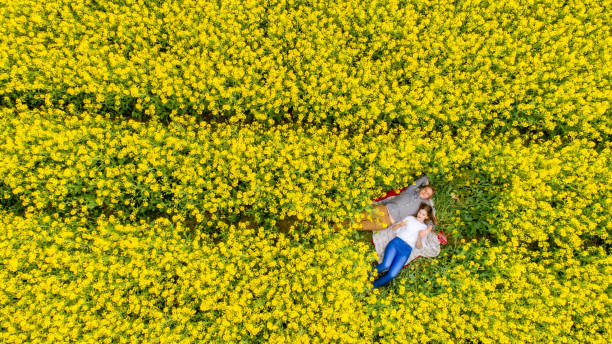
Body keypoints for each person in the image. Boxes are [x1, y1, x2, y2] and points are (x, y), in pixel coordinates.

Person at [367, 202, 437, 289]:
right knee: (385, 265)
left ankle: (371, 287)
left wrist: (419, 237)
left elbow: (419, 247)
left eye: (423, 214)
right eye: (420, 212)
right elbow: (393, 229)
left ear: (426, 217)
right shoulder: (410, 218)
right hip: (397, 243)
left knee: (392, 274)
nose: (420, 215)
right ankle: (367, 277)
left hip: (406, 250)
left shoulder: (424, 229)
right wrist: (400, 224)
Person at [334, 175, 436, 231]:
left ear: (428, 198)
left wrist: (429, 229)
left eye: (428, 194)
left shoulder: (423, 205)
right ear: (422, 188)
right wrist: (425, 179)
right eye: (425, 190)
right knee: (358, 217)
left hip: (387, 222)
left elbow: (431, 217)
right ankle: (334, 223)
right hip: (383, 210)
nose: (425, 193)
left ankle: (334, 228)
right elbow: (419, 181)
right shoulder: (410, 190)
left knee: (360, 226)